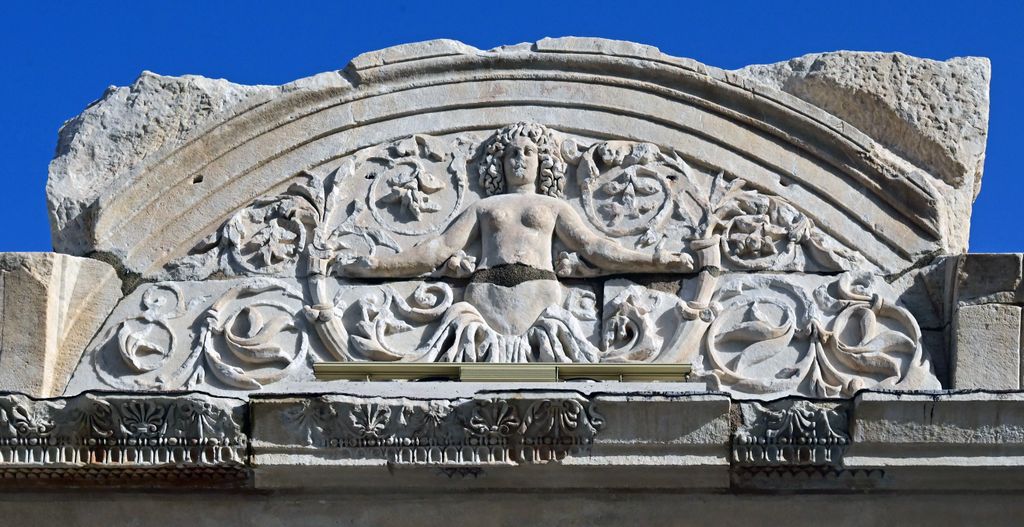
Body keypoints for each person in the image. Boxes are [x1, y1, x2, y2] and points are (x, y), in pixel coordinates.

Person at [344, 122, 692, 341]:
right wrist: (377, 265)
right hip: (484, 298)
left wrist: (656, 259)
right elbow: (438, 249)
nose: (519, 159)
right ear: (498, 161)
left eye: (528, 152)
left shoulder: (555, 207)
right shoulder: (483, 208)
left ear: (543, 162)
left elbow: (595, 247)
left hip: (540, 297)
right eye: (512, 152)